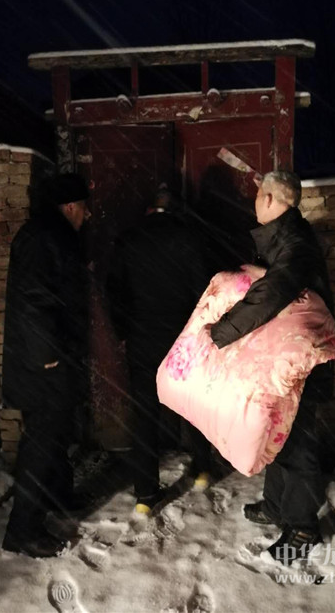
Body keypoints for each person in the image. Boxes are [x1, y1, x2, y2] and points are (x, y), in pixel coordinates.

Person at [210, 170, 335, 564]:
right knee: (280, 438)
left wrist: (222, 331)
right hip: (286, 360)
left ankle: (302, 528)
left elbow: (273, 292)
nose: (254, 203)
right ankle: (277, 507)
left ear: (268, 199)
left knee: (298, 445)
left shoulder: (295, 242)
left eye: (257, 196)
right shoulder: (286, 238)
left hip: (302, 363)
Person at [107, 186, 213, 515]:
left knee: (144, 415)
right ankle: (202, 470)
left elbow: (115, 293)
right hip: (183, 339)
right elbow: (203, 291)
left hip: (142, 339)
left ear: (148, 211)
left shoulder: (129, 240)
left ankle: (145, 494)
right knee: (194, 406)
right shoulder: (189, 238)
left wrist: (123, 332)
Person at [1, 172, 91, 558]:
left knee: (55, 435)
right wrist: (48, 355)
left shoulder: (51, 235)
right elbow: (34, 301)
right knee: (40, 444)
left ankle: (57, 496)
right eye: (84, 207)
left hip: (53, 359)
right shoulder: (44, 237)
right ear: (70, 206)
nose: (87, 215)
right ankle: (22, 531)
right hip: (44, 364)